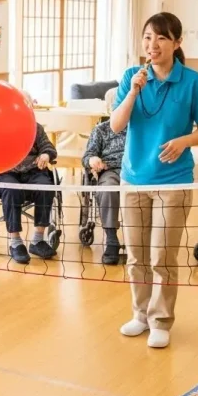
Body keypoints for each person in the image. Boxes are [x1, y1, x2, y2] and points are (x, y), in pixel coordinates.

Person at [110, 12, 198, 348]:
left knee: (162, 256)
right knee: (137, 255)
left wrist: (184, 141)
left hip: (173, 181)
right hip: (133, 178)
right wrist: (132, 92)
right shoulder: (131, 77)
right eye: (147, 38)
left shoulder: (194, 81)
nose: (152, 45)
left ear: (177, 43)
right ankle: (140, 314)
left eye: (161, 38)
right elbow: (115, 126)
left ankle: (161, 320)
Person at [0, 93, 58, 265]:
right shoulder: (0, 128)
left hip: (33, 171)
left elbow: (48, 147)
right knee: (11, 189)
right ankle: (15, 243)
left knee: (46, 187)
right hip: (8, 171)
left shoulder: (36, 128)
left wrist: (45, 154)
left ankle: (37, 240)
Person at [82, 89, 127, 265]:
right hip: (110, 171)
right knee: (107, 188)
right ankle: (111, 239)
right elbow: (87, 156)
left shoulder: (140, 128)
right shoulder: (101, 130)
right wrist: (93, 159)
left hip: (137, 171)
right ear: (109, 109)